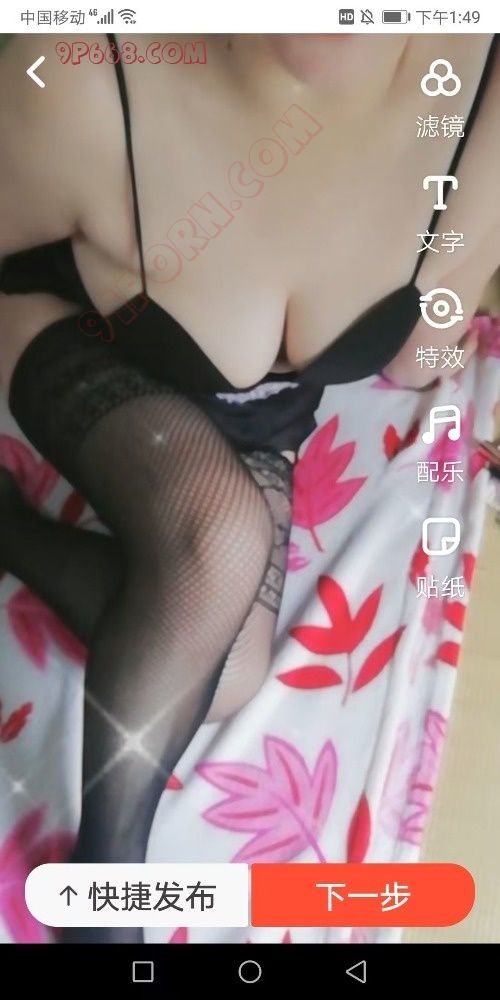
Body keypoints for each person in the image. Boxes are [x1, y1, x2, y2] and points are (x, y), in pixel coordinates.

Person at [0, 33, 498, 942]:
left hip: (253, 412)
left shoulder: (481, 95)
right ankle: (105, 894)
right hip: (66, 327)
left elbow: (425, 349)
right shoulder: (83, 73)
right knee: (220, 541)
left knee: (226, 675)